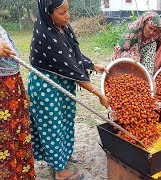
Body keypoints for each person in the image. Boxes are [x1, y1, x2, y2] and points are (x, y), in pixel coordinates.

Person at [28, 0, 109, 179]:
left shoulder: (62, 26)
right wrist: (98, 94)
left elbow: (73, 54)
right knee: (52, 126)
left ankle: (63, 155)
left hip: (63, 81)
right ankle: (59, 170)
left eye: (67, 11)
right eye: (62, 13)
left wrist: (93, 65)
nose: (67, 16)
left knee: (65, 120)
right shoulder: (46, 34)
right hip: (47, 86)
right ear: (48, 13)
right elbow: (71, 67)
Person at [0, 26, 36, 179]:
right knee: (4, 142)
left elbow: (13, 63)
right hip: (3, 94)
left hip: (14, 90)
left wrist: (22, 90)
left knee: (18, 136)